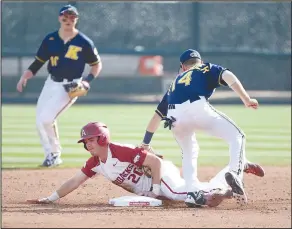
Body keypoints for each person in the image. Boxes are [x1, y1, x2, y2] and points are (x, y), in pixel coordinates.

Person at [140, 49, 265, 205]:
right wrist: (246, 99)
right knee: (237, 136)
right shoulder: (205, 67)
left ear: (183, 66)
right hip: (197, 107)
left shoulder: (174, 83)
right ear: (199, 61)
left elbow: (157, 116)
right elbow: (228, 75)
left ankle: (192, 193)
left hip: (175, 116)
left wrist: (145, 143)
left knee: (189, 151)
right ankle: (235, 174)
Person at [27, 121, 237, 208]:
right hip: (152, 187)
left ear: (102, 138)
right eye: (86, 141)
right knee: (184, 192)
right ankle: (232, 174)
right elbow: (75, 181)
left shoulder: (119, 150)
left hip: (160, 175)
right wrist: (52, 198)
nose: (88, 144)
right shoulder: (95, 163)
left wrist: (155, 188)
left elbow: (154, 161)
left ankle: (215, 194)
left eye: (91, 139)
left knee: (178, 194)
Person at [16, 5, 102, 167]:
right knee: (39, 121)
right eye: (65, 16)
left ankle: (55, 153)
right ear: (59, 18)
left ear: (76, 19)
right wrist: (24, 76)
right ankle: (51, 155)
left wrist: (86, 81)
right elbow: (38, 62)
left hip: (70, 85)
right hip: (51, 82)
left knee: (46, 118)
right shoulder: (51, 39)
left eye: (72, 17)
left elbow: (96, 65)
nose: (68, 19)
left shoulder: (84, 42)